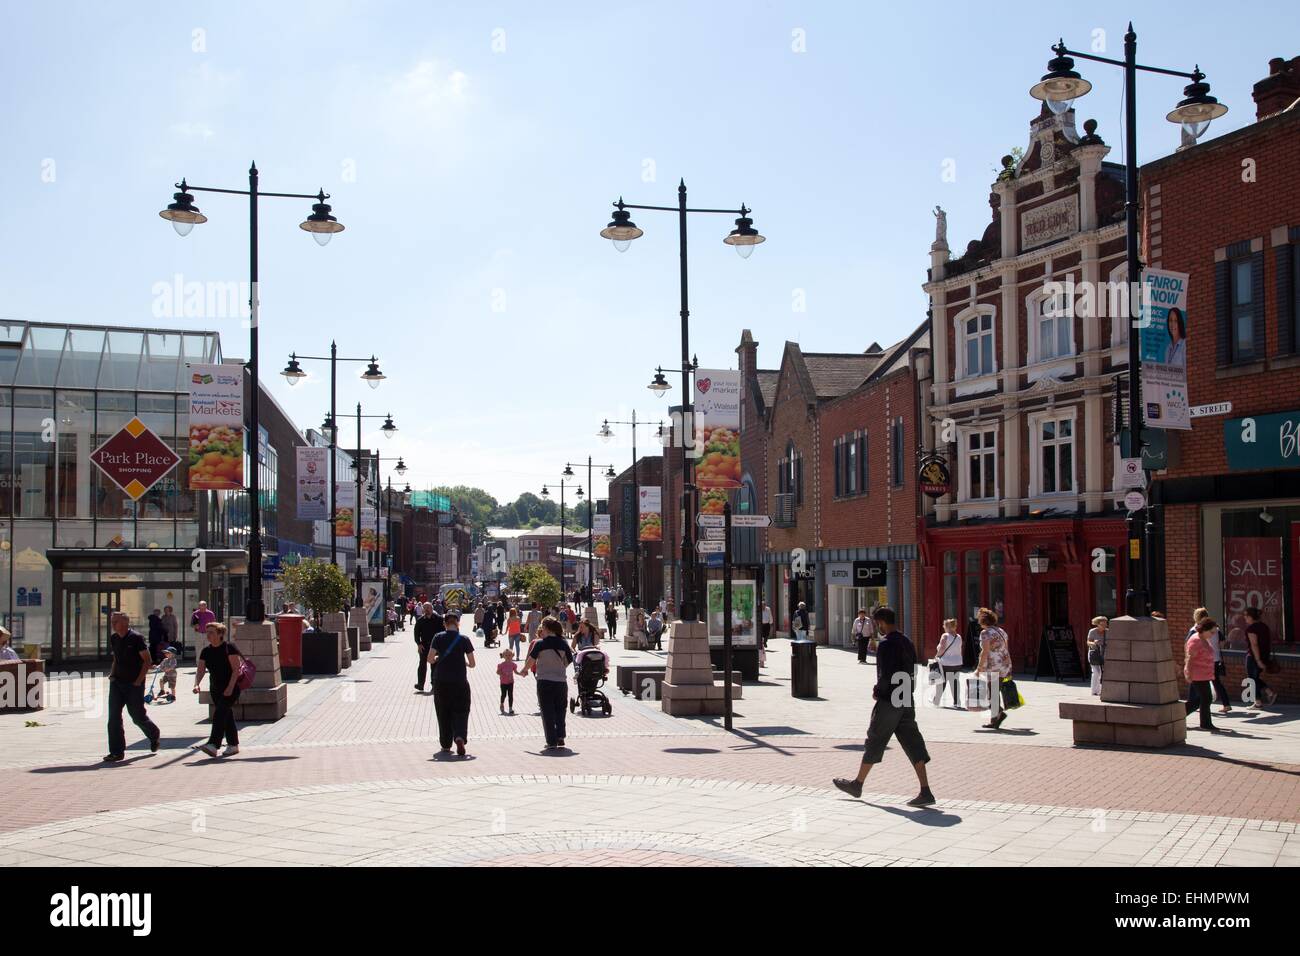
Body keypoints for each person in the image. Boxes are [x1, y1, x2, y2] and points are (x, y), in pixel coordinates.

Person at [832, 606, 934, 806]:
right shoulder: (907, 642)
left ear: (882, 623)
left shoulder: (886, 644)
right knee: (913, 742)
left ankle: (857, 784)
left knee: (875, 739)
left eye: (878, 624)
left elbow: (884, 674)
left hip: (889, 700)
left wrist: (878, 691)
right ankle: (925, 790)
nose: (878, 627)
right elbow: (913, 670)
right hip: (905, 697)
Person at [104, 612, 161, 762]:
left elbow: (147, 661)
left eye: (115, 621)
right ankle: (116, 752)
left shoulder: (136, 638)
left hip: (133, 684)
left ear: (124, 623)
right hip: (117, 683)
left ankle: (154, 734)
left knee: (137, 716)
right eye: (112, 621)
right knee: (113, 717)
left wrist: (138, 681)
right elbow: (116, 658)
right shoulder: (114, 638)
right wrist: (112, 674)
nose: (112, 624)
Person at [522, 617, 574, 750]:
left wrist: (524, 670)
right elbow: (569, 660)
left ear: (546, 628)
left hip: (544, 681)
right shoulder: (563, 643)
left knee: (547, 711)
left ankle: (551, 741)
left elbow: (531, 660)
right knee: (560, 709)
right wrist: (559, 667)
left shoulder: (540, 644)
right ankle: (560, 736)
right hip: (561, 681)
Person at [428, 609, 475, 757]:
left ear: (445, 624)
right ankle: (460, 736)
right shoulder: (464, 639)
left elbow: (429, 658)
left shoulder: (438, 637)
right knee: (461, 710)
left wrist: (437, 659)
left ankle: (446, 744)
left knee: (443, 712)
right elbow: (473, 663)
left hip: (441, 681)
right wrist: (464, 663)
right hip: (460, 681)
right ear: (458, 623)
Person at [194, 622, 242, 757]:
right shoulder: (206, 651)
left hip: (231, 688)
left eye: (211, 632)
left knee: (219, 714)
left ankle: (213, 744)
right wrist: (196, 684)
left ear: (220, 634)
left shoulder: (229, 648)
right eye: (207, 632)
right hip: (215, 689)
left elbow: (236, 670)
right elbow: (201, 670)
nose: (208, 635)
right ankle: (233, 745)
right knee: (226, 715)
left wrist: (230, 688)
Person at [1186, 607, 1232, 714]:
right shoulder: (1215, 629)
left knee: (1199, 690)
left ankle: (1191, 708)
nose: (1211, 634)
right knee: (1213, 687)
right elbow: (1222, 642)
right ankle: (1225, 704)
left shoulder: (1194, 630)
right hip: (1212, 661)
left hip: (1202, 665)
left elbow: (1188, 647)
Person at [974, 607, 1013, 729]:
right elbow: (1005, 648)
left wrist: (979, 668)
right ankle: (994, 720)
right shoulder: (1001, 631)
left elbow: (985, 651)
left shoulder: (985, 633)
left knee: (991, 694)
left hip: (993, 665)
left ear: (983, 621)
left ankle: (999, 714)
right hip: (1004, 663)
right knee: (994, 691)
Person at [1184, 618, 1219, 732]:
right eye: (1211, 632)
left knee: (1198, 700)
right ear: (1204, 629)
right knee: (1206, 698)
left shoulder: (1204, 639)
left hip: (1204, 674)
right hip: (1197, 674)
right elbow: (1190, 658)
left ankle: (1177, 716)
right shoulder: (1195, 640)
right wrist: (1188, 673)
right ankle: (1205, 724)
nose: (1213, 635)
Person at [1244, 606, 1278, 707]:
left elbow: (1254, 644)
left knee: (1252, 679)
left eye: (1246, 615)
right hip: (1264, 655)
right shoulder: (1264, 626)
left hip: (1254, 657)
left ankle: (1259, 701)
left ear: (1251, 617)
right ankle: (1267, 694)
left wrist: (1258, 660)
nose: (1244, 617)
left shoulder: (1251, 628)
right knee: (1254, 678)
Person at [413, 602, 444, 692]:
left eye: (428, 608)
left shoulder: (439, 619)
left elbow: (443, 632)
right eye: (425, 608)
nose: (427, 609)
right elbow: (416, 633)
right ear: (423, 609)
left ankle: (434, 685)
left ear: (432, 608)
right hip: (424, 646)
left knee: (434, 665)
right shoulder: (420, 620)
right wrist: (418, 644)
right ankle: (420, 684)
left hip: (435, 646)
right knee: (422, 665)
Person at [934, 618, 963, 707]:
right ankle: (957, 702)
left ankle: (936, 700)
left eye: (944, 625)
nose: (943, 627)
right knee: (955, 682)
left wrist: (936, 656)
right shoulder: (958, 636)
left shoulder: (945, 636)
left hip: (946, 663)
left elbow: (942, 648)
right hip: (957, 663)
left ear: (947, 626)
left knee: (942, 682)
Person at [1087, 615, 1108, 696]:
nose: (1104, 626)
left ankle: (1098, 690)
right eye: (1102, 624)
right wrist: (1094, 643)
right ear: (1097, 624)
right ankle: (1094, 691)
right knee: (1096, 672)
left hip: (1104, 654)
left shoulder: (1108, 632)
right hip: (1094, 654)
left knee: (1101, 673)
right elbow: (1088, 642)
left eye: (1105, 624)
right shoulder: (1092, 631)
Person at [497, 648, 518, 715]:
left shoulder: (513, 664)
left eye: (509, 655)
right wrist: (503, 674)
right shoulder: (501, 665)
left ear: (512, 656)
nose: (508, 657)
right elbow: (497, 672)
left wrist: (521, 673)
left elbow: (516, 672)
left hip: (511, 682)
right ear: (503, 656)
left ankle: (510, 708)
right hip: (503, 682)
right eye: (506, 655)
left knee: (510, 695)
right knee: (504, 694)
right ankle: (502, 704)